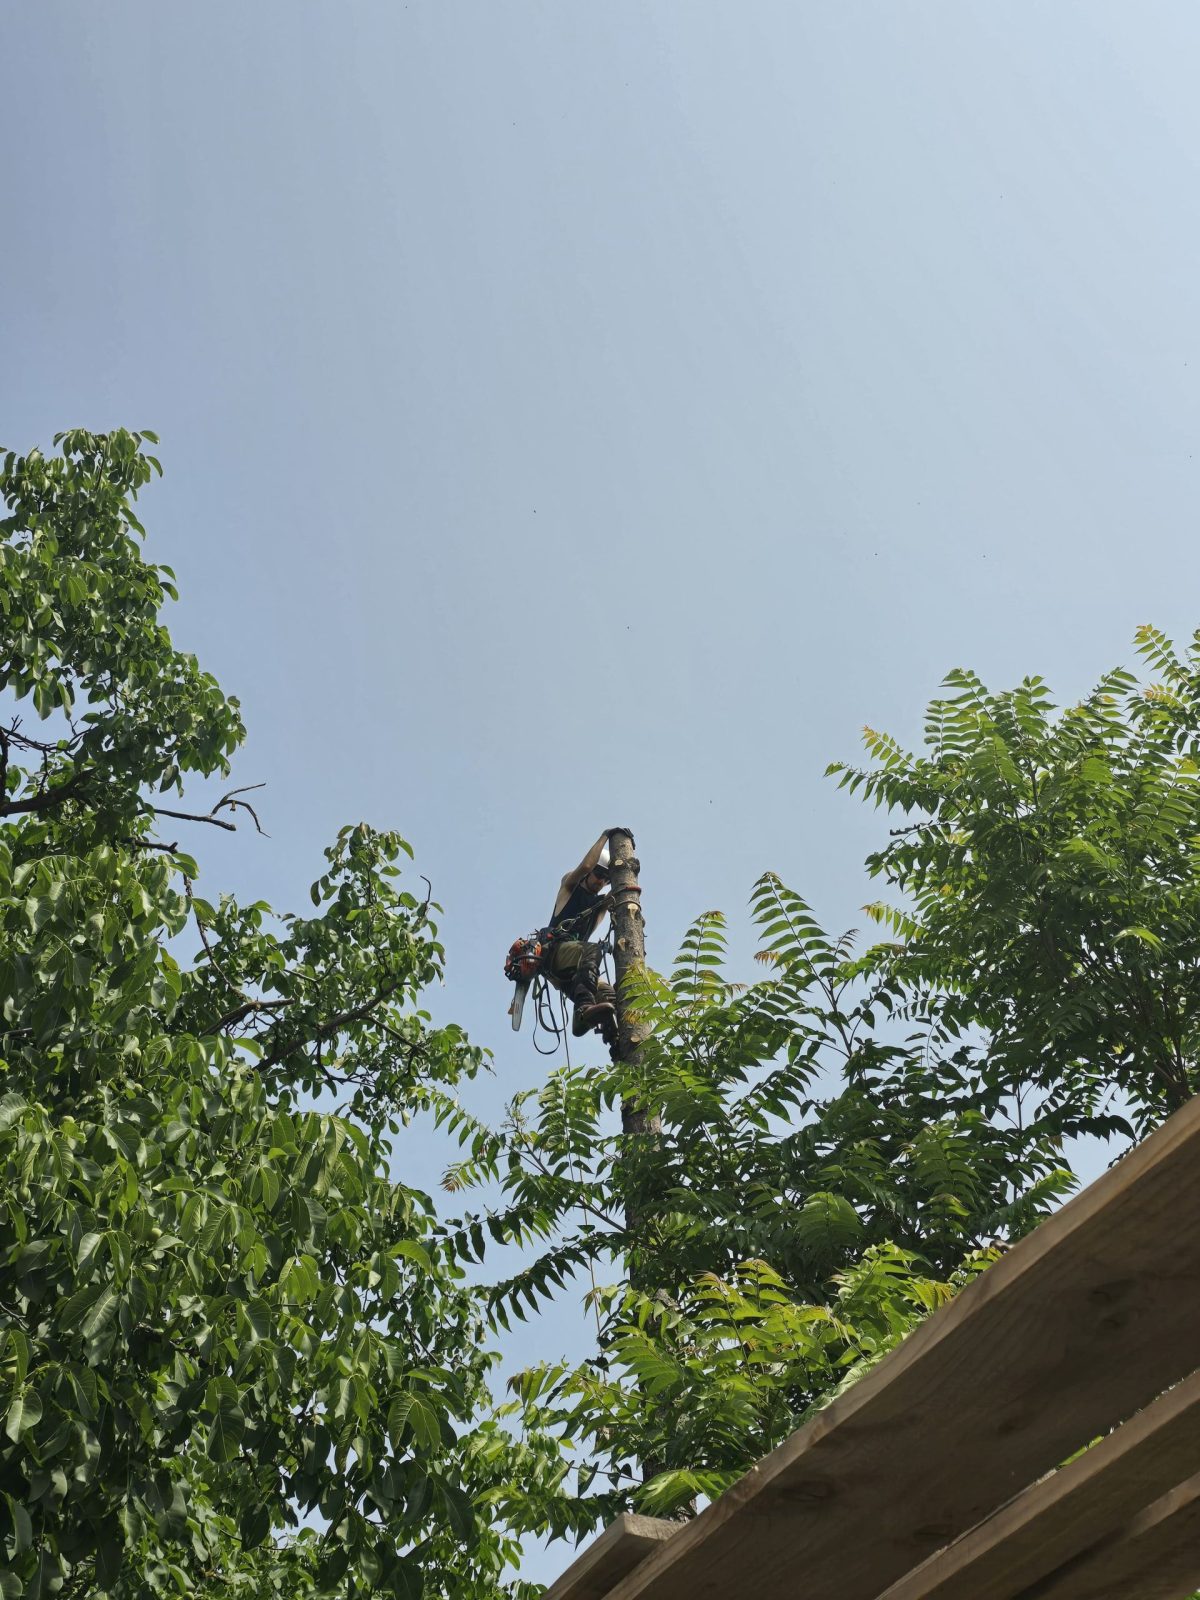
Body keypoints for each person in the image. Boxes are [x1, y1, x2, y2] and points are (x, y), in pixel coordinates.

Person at [546, 827, 631, 1039]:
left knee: (610, 997)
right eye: (598, 874)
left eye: (606, 879)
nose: (600, 882)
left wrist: (628, 870)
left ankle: (615, 1041)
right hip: (555, 954)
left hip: (576, 975)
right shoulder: (569, 889)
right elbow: (585, 866)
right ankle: (582, 1011)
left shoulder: (599, 906)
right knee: (591, 951)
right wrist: (606, 835)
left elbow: (620, 894)